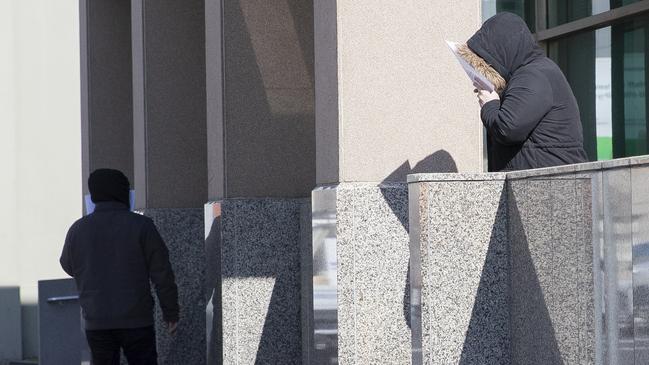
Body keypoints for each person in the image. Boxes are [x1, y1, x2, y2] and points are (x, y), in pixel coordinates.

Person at [60, 169, 179, 365]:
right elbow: (162, 274)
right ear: (123, 192)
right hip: (137, 318)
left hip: (96, 318)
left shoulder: (78, 229)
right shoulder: (142, 225)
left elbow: (67, 265)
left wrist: (91, 271)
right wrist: (171, 312)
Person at [463, 12, 588, 171]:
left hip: (548, 185)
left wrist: (490, 104)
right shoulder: (534, 73)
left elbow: (507, 129)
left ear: (503, 50)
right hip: (545, 182)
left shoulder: (532, 75)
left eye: (488, 60)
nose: (488, 67)